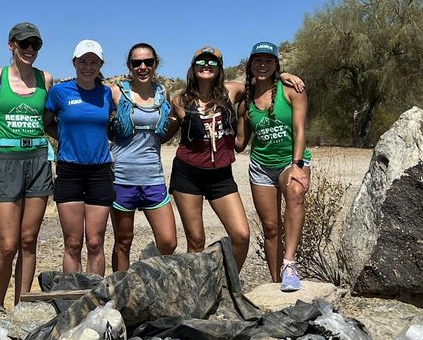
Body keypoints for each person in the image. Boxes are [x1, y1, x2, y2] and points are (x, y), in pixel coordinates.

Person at [168, 46, 304, 271]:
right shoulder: (180, 100)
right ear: (193, 68)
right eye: (201, 62)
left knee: (241, 235)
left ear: (219, 69)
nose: (206, 66)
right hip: (188, 174)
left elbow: (262, 80)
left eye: (212, 63)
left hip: (221, 174)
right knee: (196, 241)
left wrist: (283, 75)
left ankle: (226, 283)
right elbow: (170, 130)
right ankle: (195, 291)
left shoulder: (230, 91)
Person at [0, 22, 55, 312]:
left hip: (38, 158)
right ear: (11, 45)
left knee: (29, 240)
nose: (29, 50)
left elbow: (50, 121)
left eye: (35, 45)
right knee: (7, 245)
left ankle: (22, 306)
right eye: (23, 44)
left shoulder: (45, 79)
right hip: (5, 161)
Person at [236, 40, 311, 291]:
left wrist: (298, 164)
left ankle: (289, 263)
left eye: (269, 60)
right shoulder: (246, 102)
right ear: (250, 65)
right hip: (260, 167)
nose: (263, 65)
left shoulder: (292, 90)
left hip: (290, 160)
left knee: (295, 191)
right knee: (270, 227)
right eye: (258, 60)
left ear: (276, 65)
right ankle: (276, 281)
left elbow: (300, 129)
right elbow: (239, 143)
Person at [46, 39, 114, 275]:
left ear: (101, 64)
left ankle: (95, 301)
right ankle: (71, 302)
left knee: (95, 243)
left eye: (94, 61)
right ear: (74, 63)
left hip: (100, 171)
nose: (88, 66)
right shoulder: (59, 92)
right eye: (83, 61)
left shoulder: (107, 93)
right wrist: (66, 138)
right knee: (73, 243)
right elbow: (47, 124)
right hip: (69, 171)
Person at [108, 42, 177, 271]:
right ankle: (121, 293)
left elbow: (164, 132)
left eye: (148, 62)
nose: (143, 67)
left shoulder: (162, 93)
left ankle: (149, 281)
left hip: (153, 177)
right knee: (123, 242)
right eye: (137, 62)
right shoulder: (117, 92)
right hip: (122, 177)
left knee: (168, 241)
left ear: (155, 64)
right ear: (129, 65)